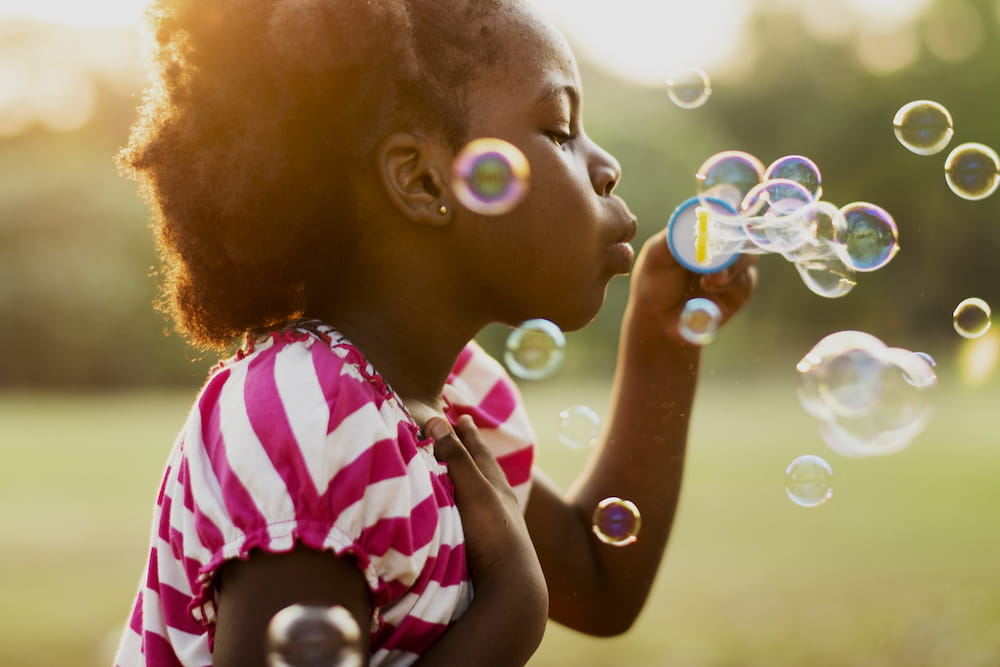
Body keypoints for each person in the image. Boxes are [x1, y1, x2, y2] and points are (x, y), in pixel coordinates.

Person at [113, 0, 758, 665]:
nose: (607, 166)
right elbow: (548, 593)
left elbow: (598, 581)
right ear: (423, 181)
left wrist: (664, 336)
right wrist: (512, 611)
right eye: (560, 129)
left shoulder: (453, 400)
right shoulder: (312, 420)